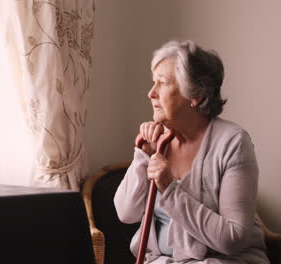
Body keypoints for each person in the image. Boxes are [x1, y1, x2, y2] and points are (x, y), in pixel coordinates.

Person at [113, 40, 269, 263]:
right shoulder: (160, 141)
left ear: (196, 96)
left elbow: (232, 239)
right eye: (152, 82)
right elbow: (126, 213)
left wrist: (169, 187)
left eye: (162, 83)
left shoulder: (233, 143)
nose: (151, 93)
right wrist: (143, 156)